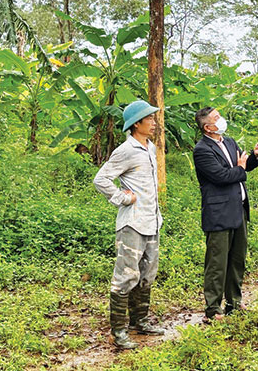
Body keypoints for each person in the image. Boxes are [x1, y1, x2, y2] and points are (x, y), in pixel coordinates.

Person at [93, 100, 165, 350]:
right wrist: (123, 197)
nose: (154, 123)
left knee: (147, 275)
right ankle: (119, 331)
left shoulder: (150, 147)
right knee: (125, 277)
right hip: (132, 224)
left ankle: (141, 321)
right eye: (150, 119)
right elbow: (101, 178)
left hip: (152, 222)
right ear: (137, 124)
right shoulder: (126, 150)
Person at [192, 107, 258, 321]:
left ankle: (233, 303)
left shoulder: (229, 142)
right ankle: (213, 310)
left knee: (237, 260)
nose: (221, 120)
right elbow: (220, 176)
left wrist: (255, 156)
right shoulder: (202, 150)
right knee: (217, 263)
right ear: (208, 127)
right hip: (218, 212)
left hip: (238, 209)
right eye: (216, 118)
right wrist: (239, 168)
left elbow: (243, 168)